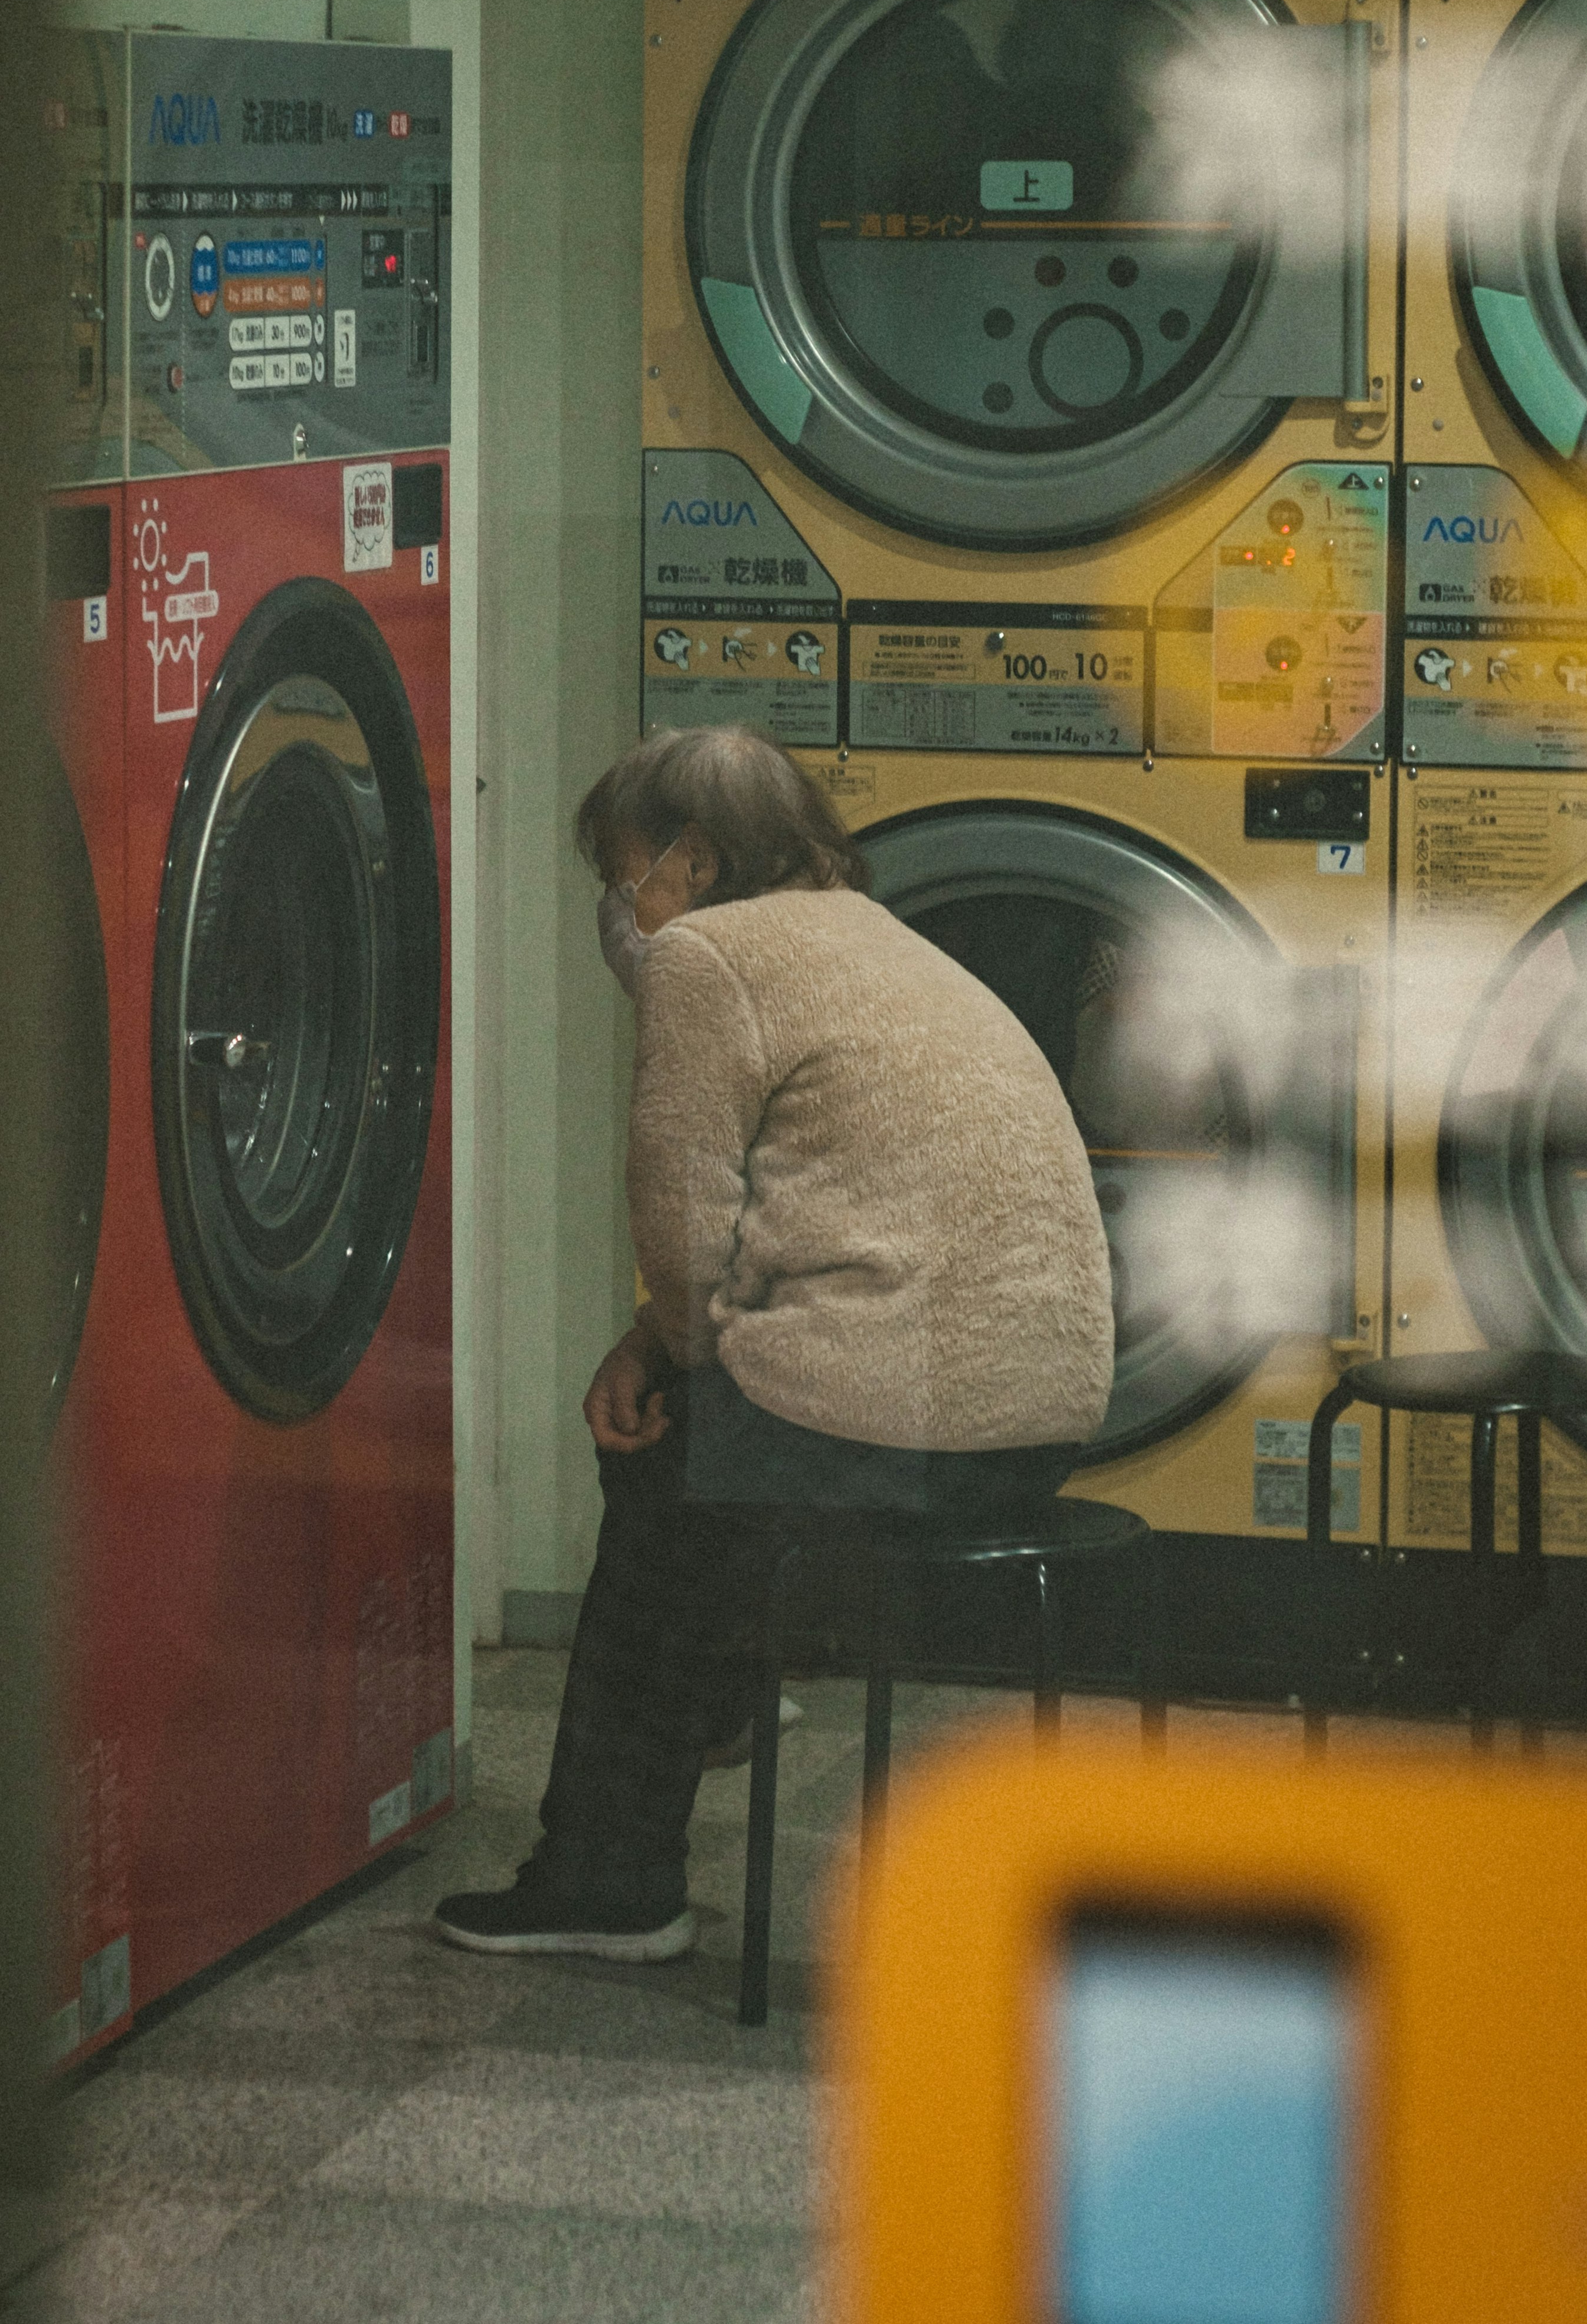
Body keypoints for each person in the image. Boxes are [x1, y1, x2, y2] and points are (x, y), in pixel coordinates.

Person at [434, 726, 1114, 1962]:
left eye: (627, 870)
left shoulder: (710, 954)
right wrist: (662, 1339)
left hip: (906, 1424)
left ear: (693, 863)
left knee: (656, 1469)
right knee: (692, 1436)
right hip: (1044, 1419)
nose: (622, 905)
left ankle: (609, 1876)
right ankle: (720, 1702)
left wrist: (659, 1345)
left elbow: (680, 1218)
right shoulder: (879, 935)